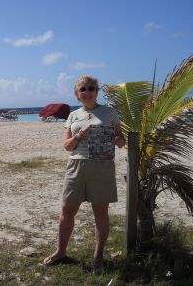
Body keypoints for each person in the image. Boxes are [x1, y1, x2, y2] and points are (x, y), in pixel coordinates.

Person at [43, 75, 126, 273]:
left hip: (102, 165)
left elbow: (121, 139)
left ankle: (98, 257)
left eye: (91, 88)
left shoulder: (109, 113)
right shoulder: (73, 115)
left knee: (100, 212)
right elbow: (67, 146)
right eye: (83, 89)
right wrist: (79, 136)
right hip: (77, 165)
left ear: (97, 92)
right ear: (77, 94)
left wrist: (118, 140)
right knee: (67, 210)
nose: (87, 92)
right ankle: (61, 251)